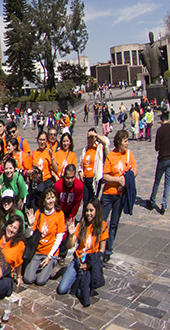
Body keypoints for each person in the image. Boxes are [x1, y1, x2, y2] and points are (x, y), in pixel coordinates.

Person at [57, 199, 107, 306]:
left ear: (97, 211)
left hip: (91, 262)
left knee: (81, 293)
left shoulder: (102, 226)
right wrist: (70, 234)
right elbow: (69, 245)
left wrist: (89, 265)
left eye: (91, 211)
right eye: (87, 210)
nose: (88, 213)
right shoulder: (81, 225)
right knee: (62, 289)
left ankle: (87, 283)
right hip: (78, 260)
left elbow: (102, 250)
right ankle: (77, 279)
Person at [100, 130, 135, 263]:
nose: (127, 143)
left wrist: (127, 178)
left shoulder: (128, 154)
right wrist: (117, 180)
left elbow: (135, 170)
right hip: (109, 194)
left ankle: (109, 249)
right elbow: (104, 176)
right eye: (125, 141)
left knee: (114, 223)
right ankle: (99, 245)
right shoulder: (111, 156)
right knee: (102, 221)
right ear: (119, 142)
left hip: (120, 196)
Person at [22, 188, 66, 286]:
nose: (51, 201)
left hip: (50, 252)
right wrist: (30, 225)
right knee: (28, 279)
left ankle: (49, 265)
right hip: (37, 251)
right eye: (48, 198)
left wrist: (49, 256)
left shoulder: (59, 214)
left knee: (40, 281)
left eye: (53, 198)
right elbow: (28, 235)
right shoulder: (39, 213)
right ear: (43, 201)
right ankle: (37, 266)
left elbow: (59, 238)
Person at [147, 111, 170, 215]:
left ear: (161, 120)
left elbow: (157, 148)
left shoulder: (160, 131)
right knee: (167, 183)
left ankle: (152, 202)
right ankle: (164, 205)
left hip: (162, 159)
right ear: (168, 119)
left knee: (157, 181)